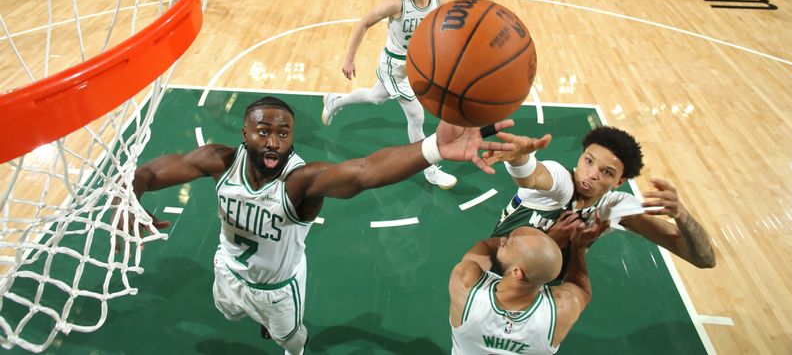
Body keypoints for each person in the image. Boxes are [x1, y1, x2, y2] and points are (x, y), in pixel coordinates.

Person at [124, 96, 514, 354]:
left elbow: (365, 172)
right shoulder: (218, 162)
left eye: (283, 133)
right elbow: (149, 173)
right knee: (228, 312)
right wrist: (128, 200)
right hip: (226, 269)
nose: (274, 141)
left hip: (278, 291)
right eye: (264, 132)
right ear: (244, 134)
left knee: (290, 341)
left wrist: (434, 149)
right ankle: (247, 313)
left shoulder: (301, 183)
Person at [484, 126, 716, 270]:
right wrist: (518, 160)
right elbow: (532, 177)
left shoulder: (614, 208)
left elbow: (703, 259)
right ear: (581, 156)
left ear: (619, 182)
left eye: (607, 172)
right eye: (589, 160)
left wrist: (681, 215)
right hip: (495, 269)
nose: (592, 174)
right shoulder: (561, 182)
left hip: (540, 290)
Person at [321, 0, 458, 190]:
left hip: (416, 66)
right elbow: (363, 23)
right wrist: (349, 58)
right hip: (393, 66)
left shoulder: (439, 3)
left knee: (376, 97)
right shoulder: (397, 3)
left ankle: (335, 100)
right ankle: (429, 169)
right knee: (416, 116)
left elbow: (448, 32)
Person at [450, 225, 604, 354]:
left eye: (509, 242)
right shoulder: (563, 309)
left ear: (517, 272)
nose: (503, 240)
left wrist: (548, 237)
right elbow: (581, 289)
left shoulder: (465, 283)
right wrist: (578, 248)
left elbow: (484, 246)